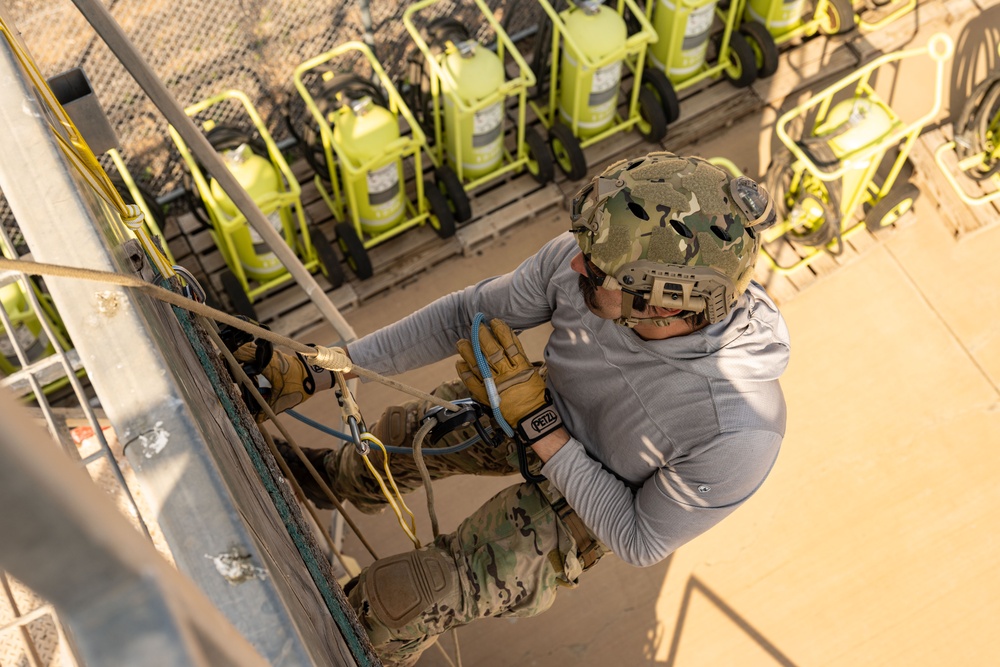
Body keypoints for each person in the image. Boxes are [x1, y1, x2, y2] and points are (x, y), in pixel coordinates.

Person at [236, 151, 791, 667]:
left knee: (394, 607)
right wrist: (327, 365)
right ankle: (334, 482)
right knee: (401, 439)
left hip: (597, 499)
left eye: (598, 272)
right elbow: (467, 317)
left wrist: (538, 425)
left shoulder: (737, 429)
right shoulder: (596, 265)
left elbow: (639, 537)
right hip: (544, 403)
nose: (575, 264)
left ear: (667, 302)